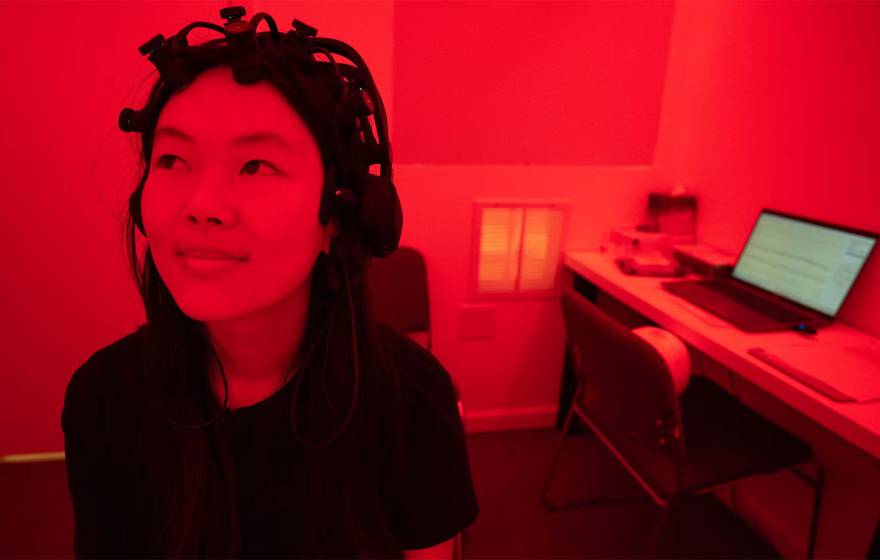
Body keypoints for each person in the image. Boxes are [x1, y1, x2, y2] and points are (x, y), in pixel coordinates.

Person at [61, 8, 478, 559]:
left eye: (255, 165)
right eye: (172, 159)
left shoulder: (412, 400)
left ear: (339, 214)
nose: (200, 206)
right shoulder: (104, 398)